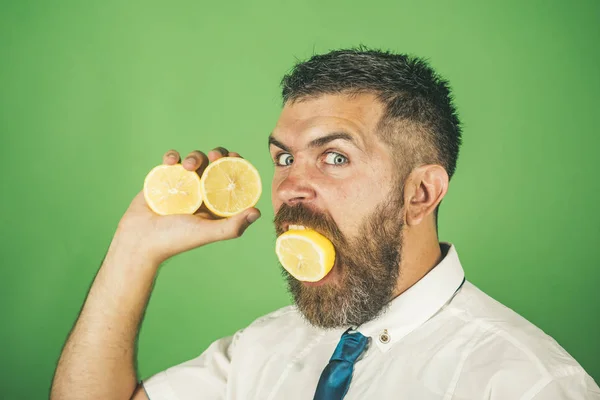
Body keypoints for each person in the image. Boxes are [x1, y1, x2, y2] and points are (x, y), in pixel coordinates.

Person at [50, 49, 600, 400]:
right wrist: (134, 249)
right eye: (285, 158)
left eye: (334, 157)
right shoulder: (260, 350)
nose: (290, 186)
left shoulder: (526, 384)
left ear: (421, 192)